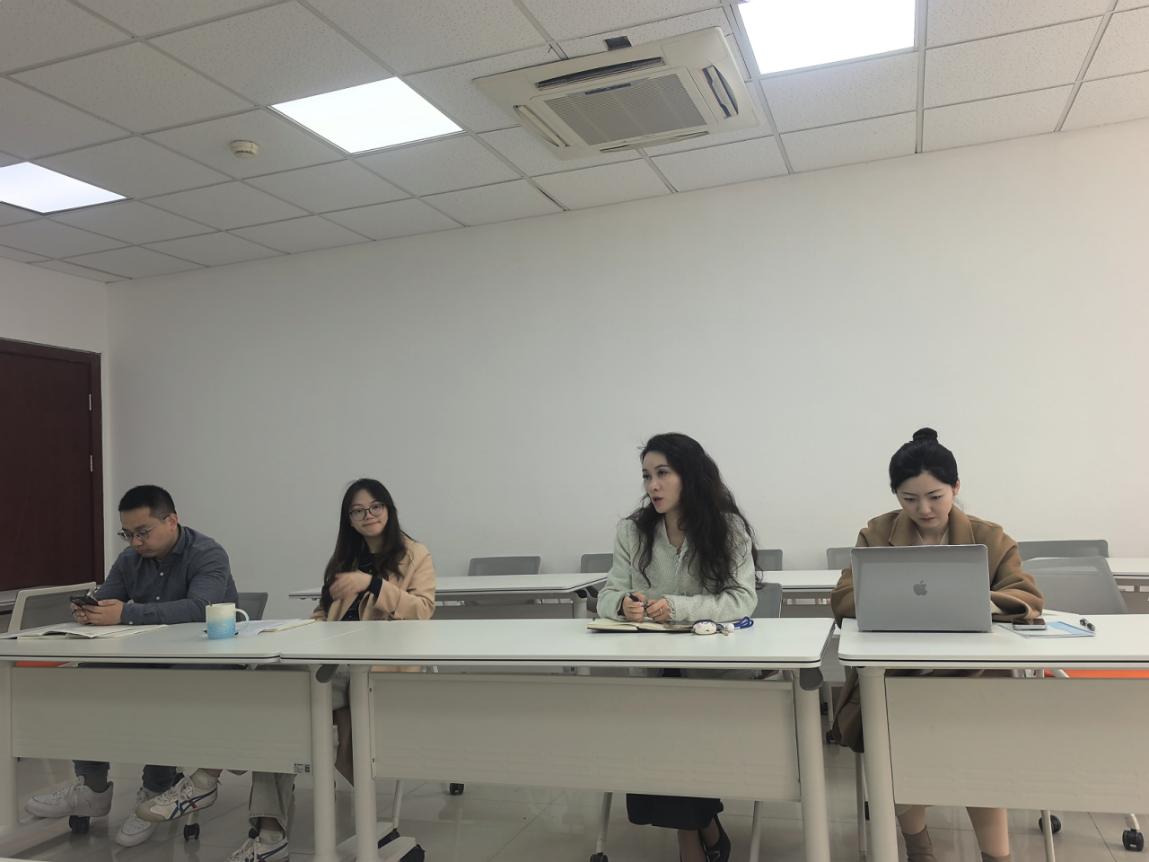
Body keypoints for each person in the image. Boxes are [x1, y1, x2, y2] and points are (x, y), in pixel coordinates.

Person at [136, 478, 436, 862]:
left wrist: (372, 584)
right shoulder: (345, 558)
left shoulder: (414, 555)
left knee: (276, 699)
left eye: (375, 507)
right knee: (279, 709)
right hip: (332, 663)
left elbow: (422, 611)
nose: (368, 515)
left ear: (389, 509)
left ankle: (210, 784)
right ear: (348, 519)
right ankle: (266, 833)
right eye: (358, 511)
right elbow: (324, 614)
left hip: (376, 669)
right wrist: (304, 629)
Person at [830, 428, 1044, 862]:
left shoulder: (989, 536)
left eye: (935, 496)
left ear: (956, 488)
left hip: (974, 678)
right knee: (899, 756)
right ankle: (919, 848)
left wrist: (980, 600)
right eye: (909, 499)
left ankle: (996, 856)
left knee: (982, 767)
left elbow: (1028, 597)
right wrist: (887, 599)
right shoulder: (876, 533)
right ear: (896, 494)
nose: (923, 509)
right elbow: (843, 597)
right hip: (898, 677)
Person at [24, 485, 237, 847]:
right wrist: (90, 610)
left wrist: (126, 613)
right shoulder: (129, 560)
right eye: (127, 534)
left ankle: (155, 791)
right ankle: (92, 788)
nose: (136, 542)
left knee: (162, 691)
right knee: (87, 677)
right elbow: (109, 596)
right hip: (145, 654)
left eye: (143, 532)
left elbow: (199, 607)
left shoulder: (207, 553)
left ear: (172, 521)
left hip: (199, 659)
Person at [597, 433, 757, 862]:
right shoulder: (632, 531)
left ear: (690, 475)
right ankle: (705, 831)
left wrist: (679, 608)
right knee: (660, 737)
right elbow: (607, 594)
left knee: (682, 735)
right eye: (647, 476)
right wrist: (624, 604)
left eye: (663, 473)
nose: (653, 485)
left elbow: (742, 599)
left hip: (711, 668)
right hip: (652, 664)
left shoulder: (727, 528)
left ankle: (690, 840)